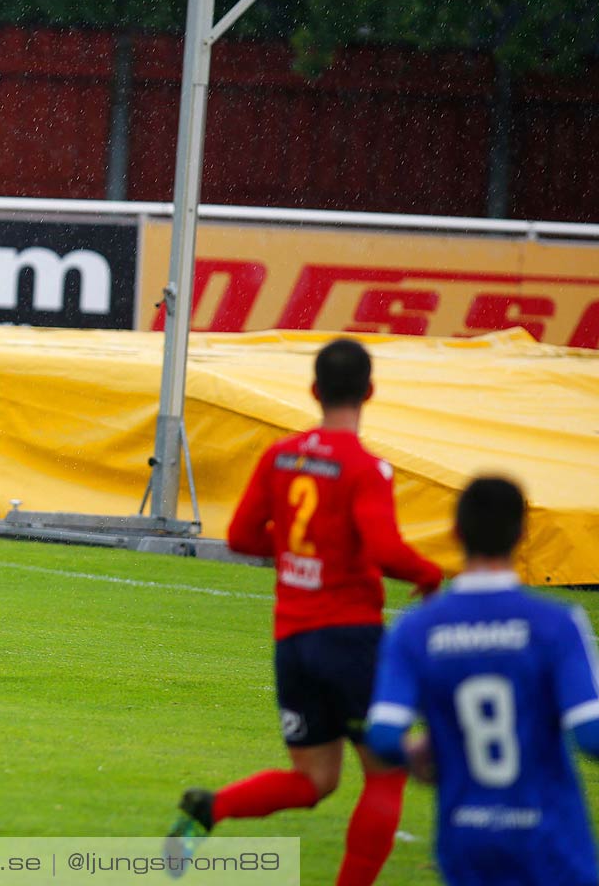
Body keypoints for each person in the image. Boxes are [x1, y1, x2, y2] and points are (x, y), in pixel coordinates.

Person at [165, 337, 443, 886]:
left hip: (293, 642)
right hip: (350, 639)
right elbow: (385, 549)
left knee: (315, 779)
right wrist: (429, 576)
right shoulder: (367, 468)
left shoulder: (281, 456)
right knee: (385, 774)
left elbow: (244, 536)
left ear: (314, 391)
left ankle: (208, 809)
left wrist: (294, 551)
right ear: (369, 392)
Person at [366, 475, 599, 886]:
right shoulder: (558, 624)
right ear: (523, 534)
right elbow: (592, 735)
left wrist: (418, 751)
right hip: (551, 838)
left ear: (455, 533)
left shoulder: (416, 629)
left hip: (466, 839)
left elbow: (384, 737)